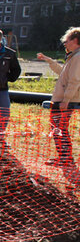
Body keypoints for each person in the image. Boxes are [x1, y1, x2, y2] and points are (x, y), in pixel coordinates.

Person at [37, 27, 80, 168]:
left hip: (66, 101)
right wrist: (49, 61)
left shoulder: (78, 57)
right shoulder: (73, 56)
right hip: (63, 99)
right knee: (58, 128)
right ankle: (64, 157)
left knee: (59, 128)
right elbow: (63, 73)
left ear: (75, 41)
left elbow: (74, 80)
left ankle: (65, 159)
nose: (65, 43)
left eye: (66, 40)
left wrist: (66, 100)